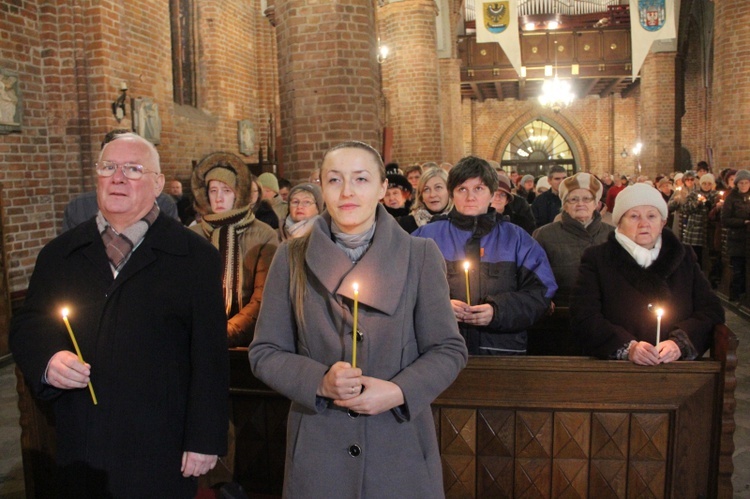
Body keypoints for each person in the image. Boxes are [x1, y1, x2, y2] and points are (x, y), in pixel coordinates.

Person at [10, 132, 229, 496]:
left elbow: (209, 355)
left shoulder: (194, 257)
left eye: (133, 169)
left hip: (161, 442)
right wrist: (49, 358)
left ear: (158, 183)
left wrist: (205, 437)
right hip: (83, 437)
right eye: (109, 167)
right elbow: (30, 323)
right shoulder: (60, 254)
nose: (118, 177)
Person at [249, 141, 467, 498]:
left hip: (398, 446)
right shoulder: (290, 258)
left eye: (361, 179)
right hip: (321, 452)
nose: (347, 192)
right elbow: (265, 352)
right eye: (334, 180)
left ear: (383, 187)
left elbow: (447, 349)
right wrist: (320, 382)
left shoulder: (419, 256)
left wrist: (398, 391)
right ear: (320, 186)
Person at [413, 156, 557, 355]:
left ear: (492, 195)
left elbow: (541, 293)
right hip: (439, 353)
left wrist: (497, 311)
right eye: (462, 189)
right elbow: (403, 288)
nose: (470, 197)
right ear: (452, 194)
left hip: (501, 352)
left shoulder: (517, 239)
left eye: (478, 189)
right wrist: (439, 306)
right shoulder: (426, 238)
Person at [570, 184, 724, 364]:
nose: (644, 224)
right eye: (634, 216)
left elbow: (711, 311)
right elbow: (584, 314)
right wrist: (627, 347)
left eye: (652, 216)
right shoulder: (598, 259)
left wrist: (679, 343)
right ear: (619, 223)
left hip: (675, 370)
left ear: (662, 222)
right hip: (617, 371)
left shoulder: (683, 256)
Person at [191, 152, 278, 347]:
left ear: (238, 194)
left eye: (226, 190)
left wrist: (227, 332)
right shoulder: (192, 235)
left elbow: (263, 295)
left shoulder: (263, 234)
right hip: (197, 336)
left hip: (248, 340)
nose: (219, 198)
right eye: (213, 191)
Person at [533, 173, 613, 308]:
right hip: (560, 311)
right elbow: (532, 276)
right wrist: (543, 298)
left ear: (596, 204)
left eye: (587, 199)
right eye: (573, 199)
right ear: (564, 205)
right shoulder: (544, 235)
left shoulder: (612, 235)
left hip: (605, 312)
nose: (580, 204)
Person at [721, 169, 750, 301]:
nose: (744, 185)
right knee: (738, 269)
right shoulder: (731, 198)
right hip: (737, 239)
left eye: (746, 182)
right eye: (741, 183)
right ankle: (736, 296)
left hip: (748, 239)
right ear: (737, 184)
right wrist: (743, 222)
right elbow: (725, 219)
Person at [397, 166, 452, 234]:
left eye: (438, 187)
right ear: (421, 196)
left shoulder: (461, 222)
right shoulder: (406, 224)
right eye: (426, 189)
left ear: (449, 191)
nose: (432, 195)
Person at [682, 173, 720, 263]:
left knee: (709, 255)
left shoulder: (715, 195)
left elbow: (715, 211)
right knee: (695, 255)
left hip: (708, 228)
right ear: (700, 184)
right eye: (704, 183)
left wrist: (713, 206)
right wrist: (697, 203)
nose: (706, 186)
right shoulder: (694, 194)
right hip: (695, 229)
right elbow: (685, 209)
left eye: (709, 184)